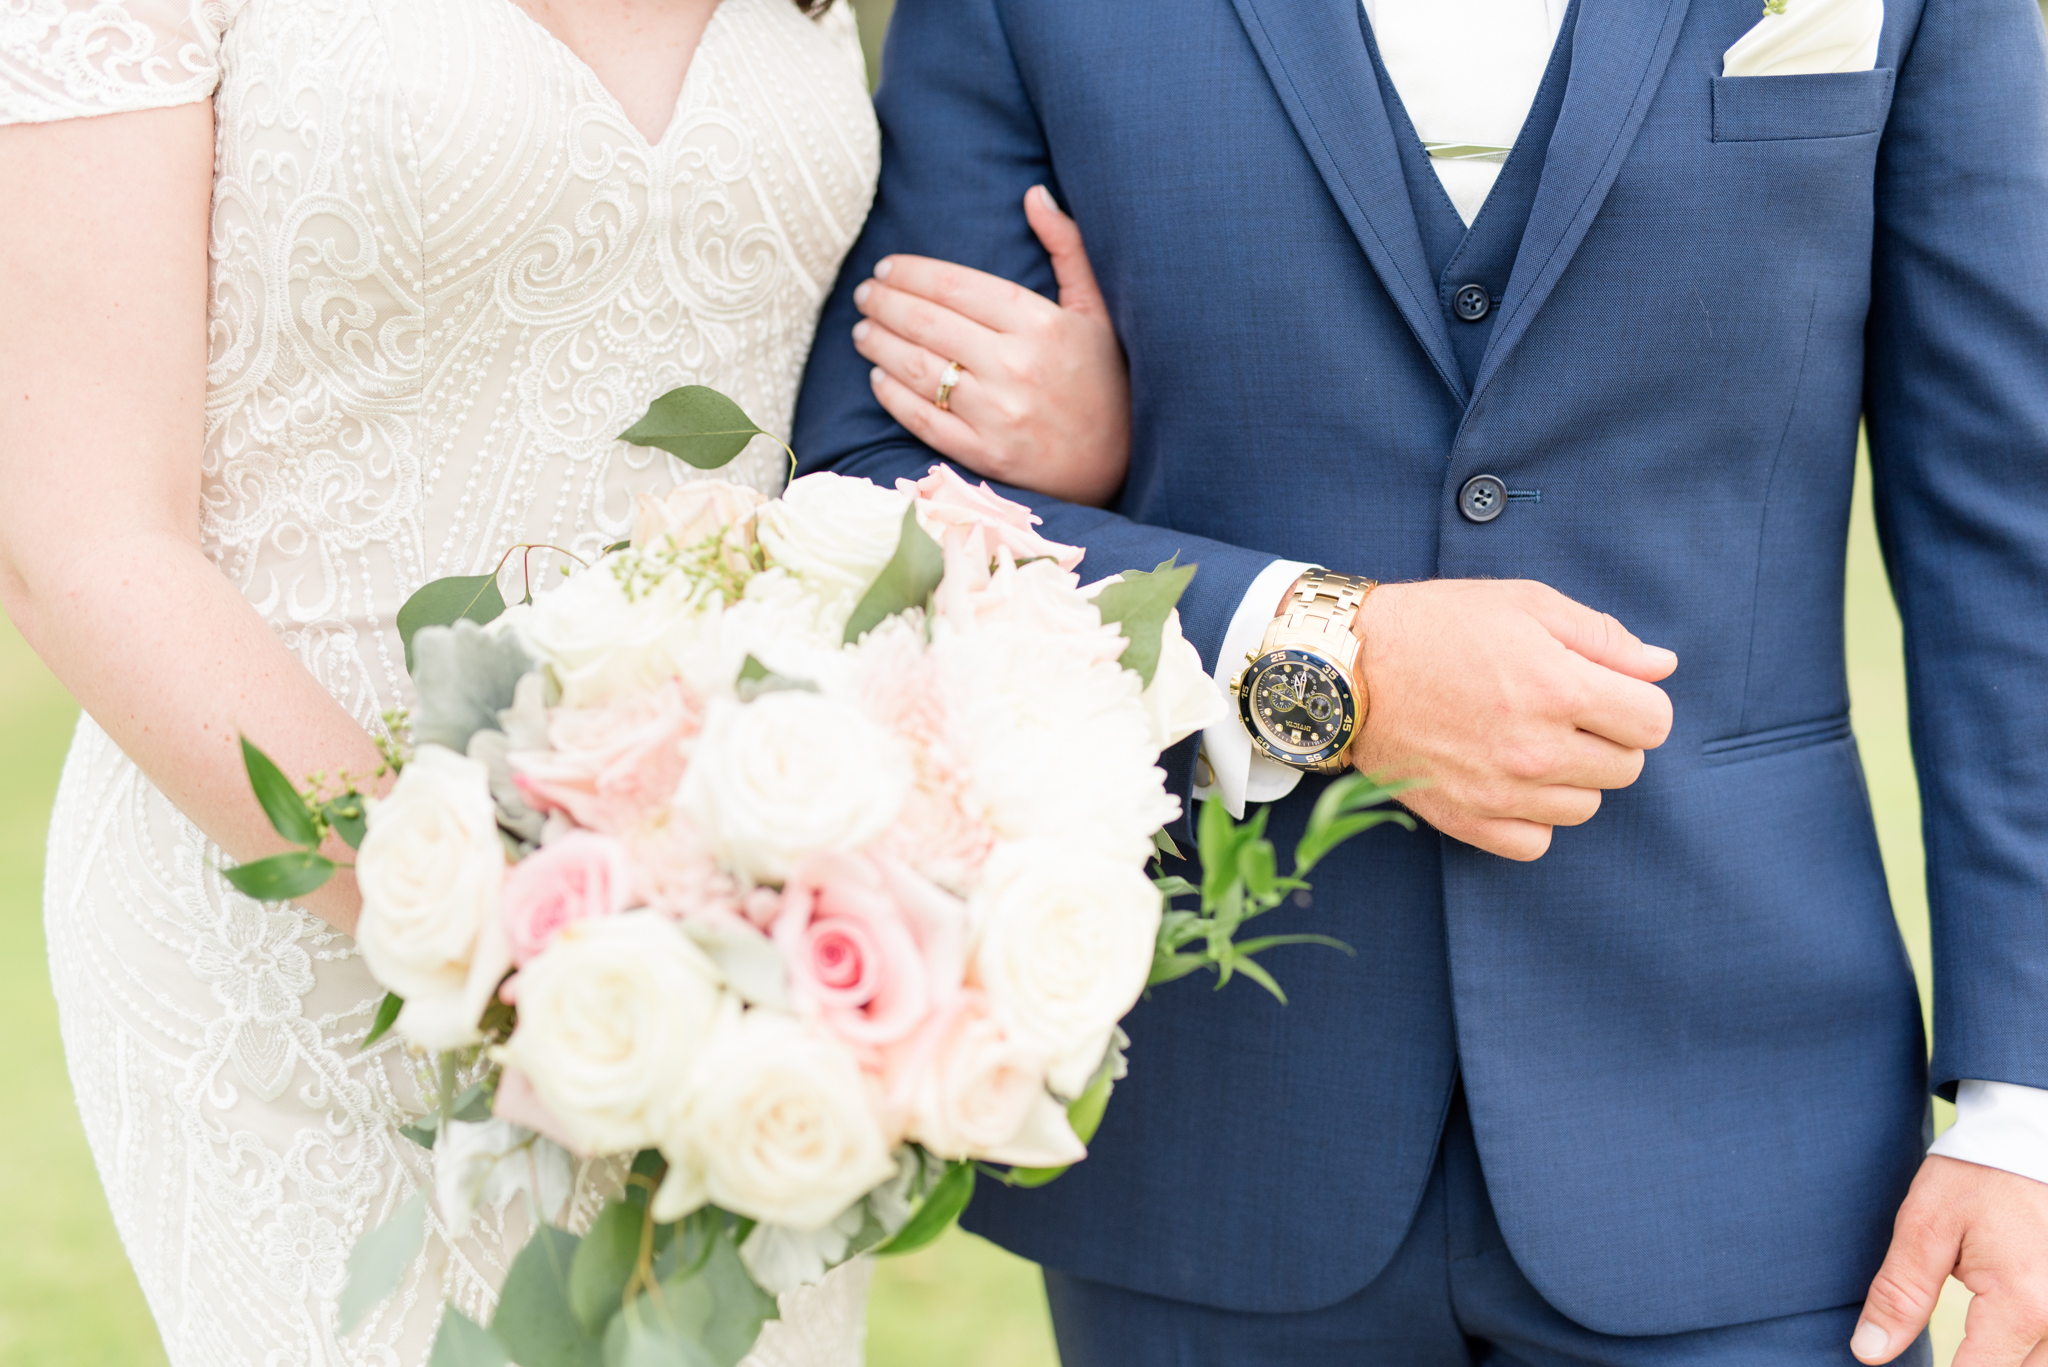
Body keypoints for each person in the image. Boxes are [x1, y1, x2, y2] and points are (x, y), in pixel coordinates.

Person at [793, 0, 2048, 1362]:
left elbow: (2009, 526)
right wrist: (1328, 655)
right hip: (1210, 1129)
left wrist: (2025, 1107)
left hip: (1750, 1138)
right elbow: (878, 500)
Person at [0, 3, 1122, 1362]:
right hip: (296, 910)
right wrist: (496, 932)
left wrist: (1058, 429)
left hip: (747, 909)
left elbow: (827, 405)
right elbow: (77, 539)